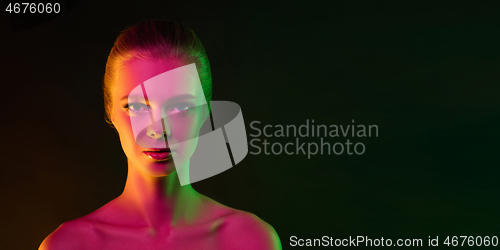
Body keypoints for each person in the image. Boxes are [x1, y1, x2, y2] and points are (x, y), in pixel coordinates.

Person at [39, 20, 281, 250]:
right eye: (136, 107)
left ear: (205, 113)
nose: (159, 129)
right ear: (110, 111)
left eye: (180, 107)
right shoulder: (70, 245)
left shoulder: (249, 240)